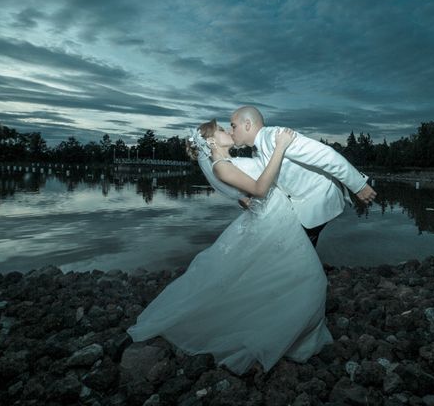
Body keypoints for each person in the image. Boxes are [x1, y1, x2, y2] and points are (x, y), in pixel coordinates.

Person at [127, 119, 333, 375]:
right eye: (222, 130)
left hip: (275, 218)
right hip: (273, 220)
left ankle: (288, 330)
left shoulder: (225, 164)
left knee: (281, 276)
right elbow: (260, 188)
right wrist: (280, 147)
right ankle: (282, 335)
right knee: (308, 277)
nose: (227, 131)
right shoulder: (221, 166)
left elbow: (244, 191)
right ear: (212, 141)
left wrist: (242, 199)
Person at [230, 106, 377, 247]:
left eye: (233, 126)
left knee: (293, 248)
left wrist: (359, 185)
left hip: (320, 198)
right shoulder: (256, 152)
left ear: (247, 124)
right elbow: (268, 182)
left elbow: (326, 155)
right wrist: (248, 198)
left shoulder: (277, 136)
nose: (231, 132)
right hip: (300, 206)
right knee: (296, 251)